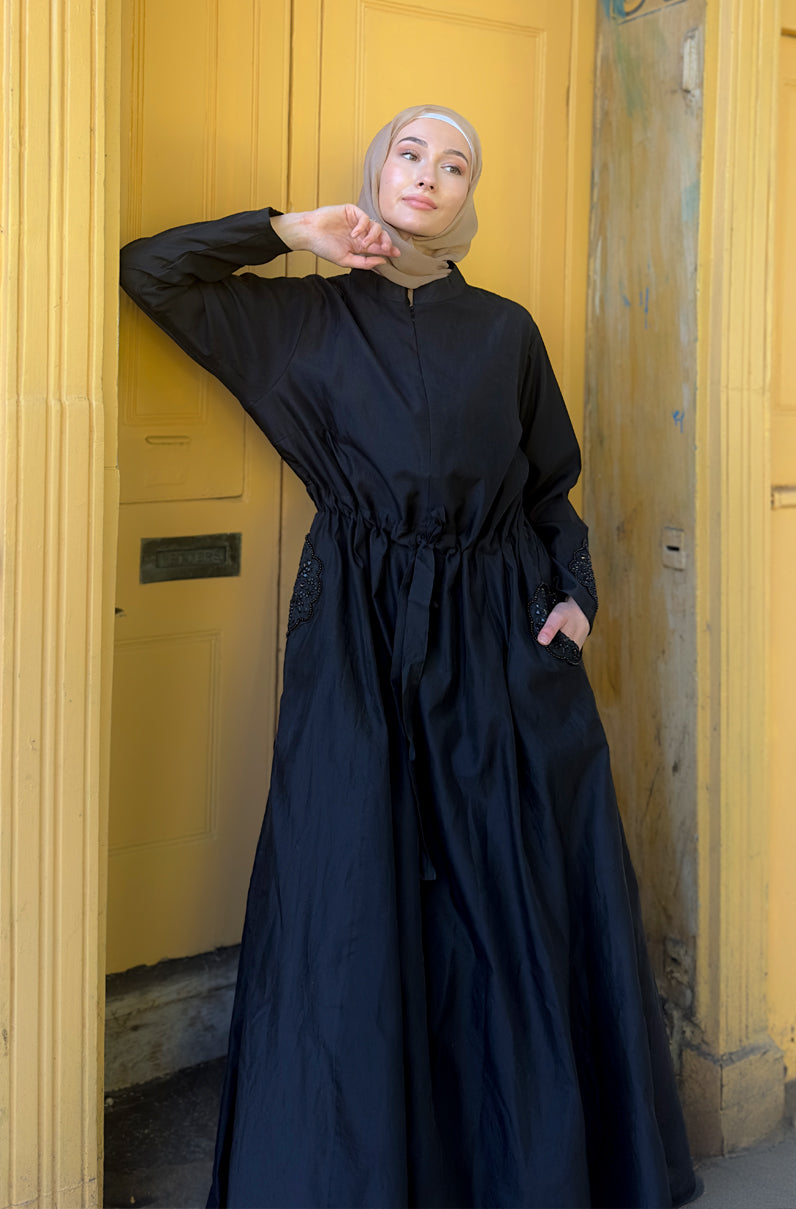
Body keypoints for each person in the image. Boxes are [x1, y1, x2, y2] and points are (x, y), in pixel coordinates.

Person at [119, 104, 701, 1209]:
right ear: (376, 173)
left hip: (498, 647)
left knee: (502, 910)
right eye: (409, 152)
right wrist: (290, 232)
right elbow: (148, 273)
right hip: (360, 640)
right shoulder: (297, 322)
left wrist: (573, 599)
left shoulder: (505, 331)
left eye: (455, 162)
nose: (428, 175)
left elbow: (548, 495)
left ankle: (517, 1172)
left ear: (468, 195)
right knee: (353, 894)